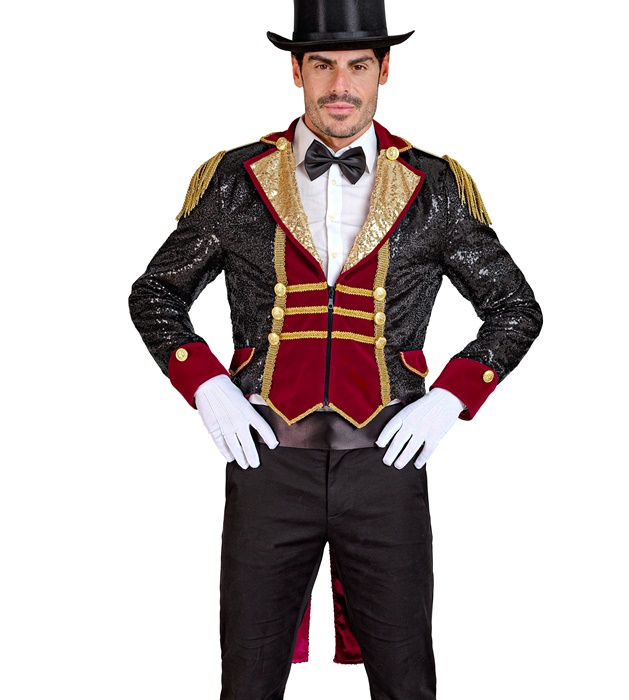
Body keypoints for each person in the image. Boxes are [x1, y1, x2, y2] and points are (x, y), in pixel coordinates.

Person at [129, 0, 543, 697]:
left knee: (405, 678)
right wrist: (206, 385)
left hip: (387, 464)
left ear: (385, 69)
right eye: (322, 65)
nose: (340, 85)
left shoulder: (434, 185)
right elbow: (155, 294)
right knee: (248, 678)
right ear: (296, 71)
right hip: (267, 462)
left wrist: (450, 398)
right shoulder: (235, 178)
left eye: (358, 65)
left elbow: (515, 309)